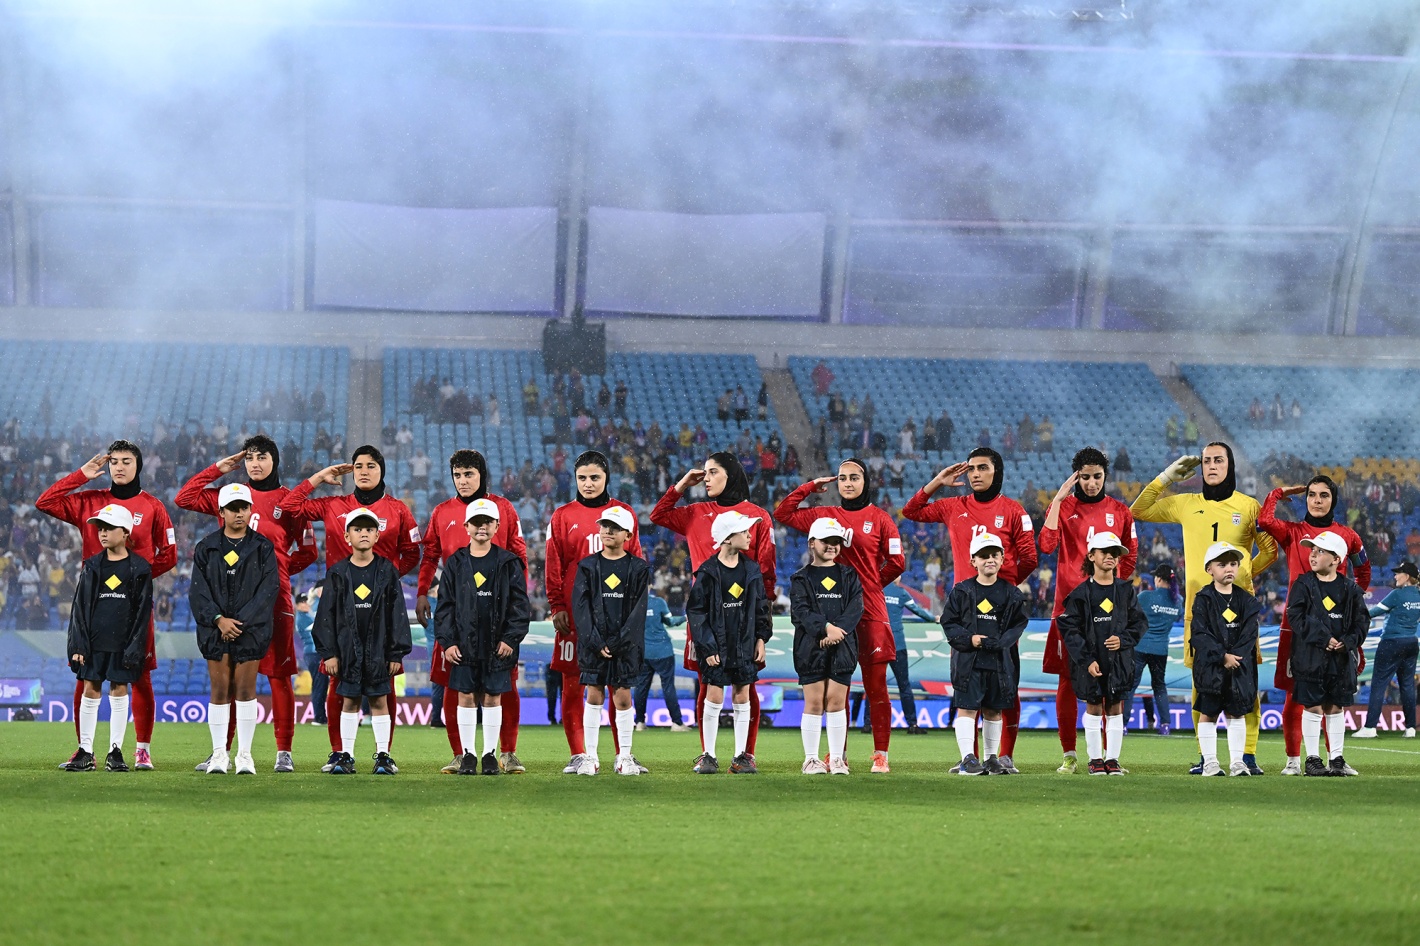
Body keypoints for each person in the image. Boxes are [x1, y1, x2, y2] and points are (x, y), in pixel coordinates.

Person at [1130, 443, 1277, 775]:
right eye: (1207, 460)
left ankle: (1248, 755)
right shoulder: (1185, 504)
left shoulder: (1248, 506)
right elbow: (1138, 509)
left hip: (1239, 610)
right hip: (1199, 610)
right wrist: (1167, 476)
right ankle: (1206, 756)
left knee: (1244, 681)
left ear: (1230, 466)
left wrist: (1244, 574)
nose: (1212, 465)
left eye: (1218, 460)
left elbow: (1270, 551)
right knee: (1203, 682)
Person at [176, 435, 319, 773]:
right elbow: (185, 497)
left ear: (275, 460)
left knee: (279, 675)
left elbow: (310, 550)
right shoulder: (231, 497)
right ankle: (221, 753)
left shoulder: (289, 501)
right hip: (230, 601)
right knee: (229, 676)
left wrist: (278, 568)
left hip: (275, 598)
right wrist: (219, 468)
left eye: (262, 457)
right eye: (250, 458)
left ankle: (283, 751)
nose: (255, 463)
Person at [279, 445, 421, 769]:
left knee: (384, 680)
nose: (364, 471)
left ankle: (384, 755)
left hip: (381, 608)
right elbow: (288, 507)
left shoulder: (398, 510)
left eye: (371, 465)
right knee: (338, 680)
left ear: (382, 470)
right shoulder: (335, 505)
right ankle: (339, 752)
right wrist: (318, 477)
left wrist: (384, 581)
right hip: (340, 603)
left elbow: (413, 552)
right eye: (358, 466)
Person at [40, 441, 175, 771]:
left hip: (133, 607)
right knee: (85, 673)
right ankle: (83, 750)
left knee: (138, 675)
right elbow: (45, 502)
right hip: (93, 604)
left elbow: (169, 554)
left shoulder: (154, 506)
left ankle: (141, 749)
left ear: (138, 466)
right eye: (113, 461)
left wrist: (136, 580)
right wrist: (81, 476)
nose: (118, 467)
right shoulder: (90, 501)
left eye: (126, 461)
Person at [903, 448, 1035, 772]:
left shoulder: (1014, 511)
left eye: (983, 468)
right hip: (965, 612)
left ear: (996, 471)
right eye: (971, 469)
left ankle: (1005, 755)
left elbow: (1030, 557)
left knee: (1004, 687)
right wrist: (937, 482)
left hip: (1000, 614)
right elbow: (911, 511)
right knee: (968, 687)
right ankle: (970, 758)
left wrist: (1001, 590)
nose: (975, 474)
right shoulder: (953, 506)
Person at [777, 459, 905, 773]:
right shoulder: (825, 516)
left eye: (855, 477)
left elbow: (897, 562)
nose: (848, 483)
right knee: (838, 687)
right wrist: (809, 487)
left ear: (867, 481)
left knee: (877, 688)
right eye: (843, 478)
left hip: (871, 612)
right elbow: (782, 513)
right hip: (831, 616)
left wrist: (870, 585)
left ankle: (880, 754)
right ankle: (839, 755)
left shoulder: (880, 519)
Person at [651, 453, 775, 762]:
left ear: (731, 475)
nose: (705, 477)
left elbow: (766, 574)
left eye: (713, 472)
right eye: (704, 472)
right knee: (708, 682)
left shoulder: (756, 516)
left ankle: (747, 753)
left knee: (746, 683)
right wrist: (681, 485)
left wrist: (762, 627)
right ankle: (707, 754)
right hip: (704, 613)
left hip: (744, 614)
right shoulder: (695, 512)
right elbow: (657, 515)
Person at [414, 449, 528, 775]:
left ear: (481, 475)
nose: (463, 481)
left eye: (469, 474)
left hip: (498, 611)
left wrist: (518, 600)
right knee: (454, 681)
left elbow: (518, 555)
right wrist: (423, 592)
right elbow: (431, 555)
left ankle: (507, 752)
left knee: (505, 683)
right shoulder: (441, 511)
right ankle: (459, 753)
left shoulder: (503, 509)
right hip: (456, 610)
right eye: (458, 475)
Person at [1257, 477, 1370, 773]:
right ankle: (1294, 760)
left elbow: (1364, 568)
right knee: (1298, 693)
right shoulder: (1292, 532)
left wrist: (1354, 601)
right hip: (1298, 626)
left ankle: (1336, 761)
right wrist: (1280, 493)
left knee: (1335, 695)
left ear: (1333, 500)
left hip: (1338, 630)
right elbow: (1264, 519)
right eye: (1311, 495)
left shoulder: (1348, 535)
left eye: (1323, 495)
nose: (1316, 500)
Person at [1035, 448, 1136, 772]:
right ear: (1076, 476)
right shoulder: (1065, 508)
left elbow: (1130, 557)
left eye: (1097, 476)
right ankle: (1070, 753)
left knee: (1111, 680)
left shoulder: (1120, 511)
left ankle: (1108, 757)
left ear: (1105, 476)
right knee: (1067, 678)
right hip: (1069, 608)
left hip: (1108, 609)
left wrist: (1110, 590)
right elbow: (1046, 545)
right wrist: (1060, 499)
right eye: (1085, 477)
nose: (1091, 483)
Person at [545, 451, 645, 773]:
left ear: (607, 479)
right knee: (575, 683)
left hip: (617, 615)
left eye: (595, 478)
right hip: (577, 616)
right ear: (575, 480)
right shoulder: (561, 516)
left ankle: (623, 755)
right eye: (582, 478)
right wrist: (557, 604)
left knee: (619, 684)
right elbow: (553, 564)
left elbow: (637, 565)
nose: (588, 484)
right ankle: (580, 754)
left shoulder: (624, 513)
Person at [434, 499, 531, 777]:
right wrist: (448, 642)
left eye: (487, 522)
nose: (481, 527)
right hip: (463, 644)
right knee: (465, 696)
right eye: (476, 522)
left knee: (492, 698)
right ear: (466, 526)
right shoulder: (455, 563)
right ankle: (468, 755)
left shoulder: (508, 562)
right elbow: (445, 607)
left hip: (498, 645)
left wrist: (510, 639)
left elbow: (519, 606)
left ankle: (489, 755)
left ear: (497, 526)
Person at [312, 508, 412, 776]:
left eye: (369, 529)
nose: (363, 533)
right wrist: (329, 653)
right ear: (347, 536)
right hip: (347, 653)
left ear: (378, 535)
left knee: (379, 701)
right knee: (350, 702)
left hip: (379, 651)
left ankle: (383, 756)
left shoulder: (387, 571)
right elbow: (326, 617)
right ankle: (346, 756)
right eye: (357, 529)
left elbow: (397, 614)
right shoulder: (337, 573)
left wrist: (396, 653)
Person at [188, 484, 280, 775]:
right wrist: (218, 619)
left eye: (244, 507)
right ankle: (219, 755)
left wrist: (239, 621)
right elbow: (197, 591)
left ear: (251, 510)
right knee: (219, 689)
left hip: (250, 629)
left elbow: (269, 589)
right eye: (233, 508)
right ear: (221, 512)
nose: (239, 513)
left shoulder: (263, 547)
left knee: (244, 689)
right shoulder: (206, 547)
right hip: (215, 628)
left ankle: (244, 755)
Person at [60, 504, 154, 772]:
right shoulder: (92, 565)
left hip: (123, 643)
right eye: (100, 528)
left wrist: (135, 647)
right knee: (90, 688)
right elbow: (80, 608)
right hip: (94, 641)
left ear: (125, 532)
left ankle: (116, 751)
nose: (102, 533)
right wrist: (78, 644)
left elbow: (142, 613)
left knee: (119, 690)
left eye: (109, 528)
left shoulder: (139, 568)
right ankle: (86, 751)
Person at [687, 511, 773, 774]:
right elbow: (696, 612)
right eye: (744, 531)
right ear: (727, 537)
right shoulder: (708, 571)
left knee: (742, 694)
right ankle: (709, 756)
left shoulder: (751, 569)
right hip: (717, 647)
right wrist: (708, 646)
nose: (749, 535)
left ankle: (740, 757)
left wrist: (761, 638)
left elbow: (761, 607)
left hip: (745, 643)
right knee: (714, 693)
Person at [1057, 532, 1148, 776]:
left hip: (1119, 662)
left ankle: (1113, 760)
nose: (1110, 556)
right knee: (1094, 707)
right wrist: (1086, 660)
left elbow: (1139, 623)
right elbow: (1069, 629)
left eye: (1115, 552)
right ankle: (1095, 760)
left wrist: (1124, 640)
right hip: (1091, 663)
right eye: (1105, 551)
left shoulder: (1126, 591)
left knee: (1115, 707)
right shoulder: (1080, 594)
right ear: (1091, 556)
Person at [941, 533, 1029, 776]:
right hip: (969, 661)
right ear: (973, 561)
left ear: (1002, 559)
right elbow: (949, 622)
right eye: (983, 556)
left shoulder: (1012, 594)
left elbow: (1018, 625)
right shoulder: (962, 591)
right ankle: (967, 759)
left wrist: (1001, 643)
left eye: (994, 555)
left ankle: (991, 758)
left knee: (994, 710)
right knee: (967, 708)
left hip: (999, 662)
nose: (989, 560)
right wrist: (970, 639)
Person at [572, 506, 650, 776]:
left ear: (628, 534)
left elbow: (638, 613)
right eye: (604, 525)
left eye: (614, 527)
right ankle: (590, 757)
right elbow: (580, 609)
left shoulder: (638, 568)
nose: (607, 531)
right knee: (593, 694)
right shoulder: (587, 565)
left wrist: (616, 643)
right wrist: (595, 641)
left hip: (625, 647)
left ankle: (624, 757)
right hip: (594, 645)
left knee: (623, 698)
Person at [1284, 532, 1370, 777]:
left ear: (1336, 559)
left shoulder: (1351, 589)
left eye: (1319, 551)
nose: (1312, 554)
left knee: (1335, 707)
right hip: (1309, 657)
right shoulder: (1303, 584)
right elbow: (1296, 617)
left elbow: (1361, 622)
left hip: (1341, 659)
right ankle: (1312, 760)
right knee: (1312, 707)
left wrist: (1347, 641)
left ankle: (1337, 759)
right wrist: (1324, 638)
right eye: (1312, 550)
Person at [790, 518, 864, 775]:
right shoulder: (800, 578)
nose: (832, 546)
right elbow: (800, 612)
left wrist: (835, 632)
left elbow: (856, 608)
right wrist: (825, 629)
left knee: (835, 702)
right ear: (812, 543)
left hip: (843, 645)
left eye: (836, 542)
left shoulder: (849, 575)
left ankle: (836, 760)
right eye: (826, 541)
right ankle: (810, 759)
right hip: (810, 646)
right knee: (813, 703)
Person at [1189, 543, 1261, 776]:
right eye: (1222, 565)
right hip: (1211, 669)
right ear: (1209, 569)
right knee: (1208, 713)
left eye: (1233, 564)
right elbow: (1199, 634)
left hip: (1238, 668)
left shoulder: (1247, 601)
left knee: (1237, 712)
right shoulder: (1203, 599)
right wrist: (1222, 656)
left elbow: (1250, 633)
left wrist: (1234, 657)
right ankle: (1210, 762)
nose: (1228, 569)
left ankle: (1237, 763)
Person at [1356, 561, 1420, 739]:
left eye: (1398, 573)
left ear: (1407, 576)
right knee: (1407, 685)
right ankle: (1410, 728)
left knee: (1378, 684)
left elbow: (1371, 613)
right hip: (1411, 643)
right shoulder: (1419, 595)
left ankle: (1370, 727)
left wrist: (1352, 612)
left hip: (1391, 642)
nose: (1395, 576)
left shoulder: (1396, 595)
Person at [1134, 563, 1180, 735]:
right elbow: (1175, 616)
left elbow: (1133, 614)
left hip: (1141, 647)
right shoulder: (1178, 601)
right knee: (1159, 686)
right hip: (1161, 649)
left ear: (1159, 579)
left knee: (1131, 686)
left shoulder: (1145, 596)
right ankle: (1166, 725)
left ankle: (1122, 725)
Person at [883, 578, 933, 734]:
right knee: (904, 685)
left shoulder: (878, 590)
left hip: (879, 644)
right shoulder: (901, 593)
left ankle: (868, 724)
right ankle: (912, 724)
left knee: (875, 686)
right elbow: (917, 610)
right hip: (897, 645)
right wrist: (934, 619)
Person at [634, 590, 687, 731]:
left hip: (644, 652)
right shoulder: (658, 602)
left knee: (641, 687)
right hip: (663, 651)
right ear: (650, 585)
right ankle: (676, 723)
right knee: (668, 686)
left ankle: (639, 722)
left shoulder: (634, 603)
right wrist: (684, 618)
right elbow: (670, 622)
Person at [295, 589, 327, 725]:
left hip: (313, 654)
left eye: (305, 601)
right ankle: (319, 717)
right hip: (314, 653)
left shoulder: (306, 616)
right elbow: (321, 624)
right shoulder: (302, 618)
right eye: (301, 602)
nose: (305, 604)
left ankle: (320, 716)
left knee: (320, 684)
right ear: (296, 605)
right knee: (320, 684)